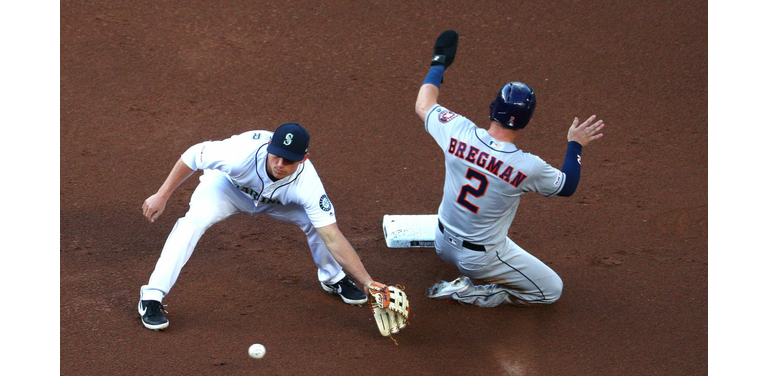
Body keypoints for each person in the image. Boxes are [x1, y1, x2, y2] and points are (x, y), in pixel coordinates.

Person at [414, 30, 606, 307]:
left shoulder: (458, 131)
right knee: (551, 290)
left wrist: (439, 62)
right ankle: (471, 292)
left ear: (493, 109)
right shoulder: (527, 166)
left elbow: (423, 105)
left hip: (442, 243)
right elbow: (568, 185)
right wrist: (575, 144)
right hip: (479, 259)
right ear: (526, 123)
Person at [138, 122, 378, 330]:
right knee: (192, 223)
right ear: (270, 147)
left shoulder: (308, 184)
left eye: (289, 160)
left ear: (304, 159)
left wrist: (368, 282)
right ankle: (151, 297)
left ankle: (333, 277)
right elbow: (192, 156)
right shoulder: (239, 153)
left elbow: (332, 236)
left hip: (277, 202)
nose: (280, 164)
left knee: (317, 226)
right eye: (276, 155)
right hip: (226, 189)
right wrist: (163, 194)